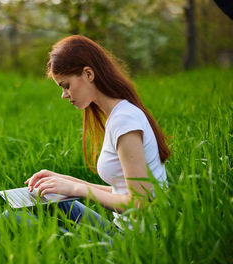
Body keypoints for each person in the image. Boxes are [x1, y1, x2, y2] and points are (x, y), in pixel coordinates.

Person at [23, 35, 171, 232]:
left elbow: (139, 204)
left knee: (13, 220)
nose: (64, 95)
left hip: (138, 242)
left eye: (66, 85)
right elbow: (121, 191)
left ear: (88, 74)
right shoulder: (119, 115)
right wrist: (64, 181)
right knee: (50, 205)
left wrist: (76, 189)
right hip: (123, 230)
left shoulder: (125, 121)